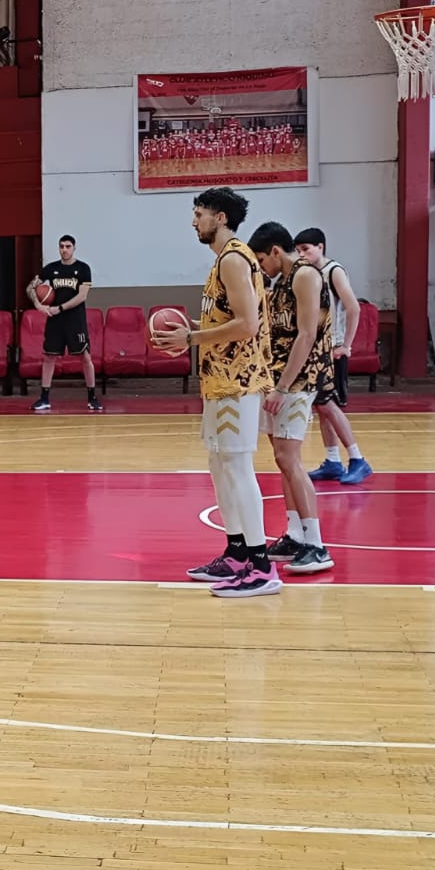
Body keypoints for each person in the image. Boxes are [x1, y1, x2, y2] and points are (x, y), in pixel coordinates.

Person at [150, 187, 281, 598]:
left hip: (237, 381)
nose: (194, 222)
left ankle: (262, 568)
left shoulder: (234, 260)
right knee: (220, 464)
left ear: (220, 217)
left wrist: (191, 338)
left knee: (238, 467)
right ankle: (238, 552)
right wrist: (187, 331)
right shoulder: (223, 260)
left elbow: (248, 324)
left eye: (199, 213)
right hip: (219, 381)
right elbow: (225, 320)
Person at [248, 221, 335, 573]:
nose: (261, 268)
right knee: (282, 459)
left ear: (274, 251)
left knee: (290, 457)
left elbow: (307, 334)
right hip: (278, 378)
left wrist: (283, 387)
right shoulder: (280, 284)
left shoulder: (305, 276)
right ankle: (295, 534)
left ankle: (317, 544)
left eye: (261, 261)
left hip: (300, 379)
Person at [294, 228, 374, 485]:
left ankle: (358, 459)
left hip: (334, 348)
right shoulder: (308, 273)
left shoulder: (333, 271)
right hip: (318, 348)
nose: (302, 254)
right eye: (298, 251)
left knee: (329, 404)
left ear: (321, 246)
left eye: (306, 249)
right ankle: (332, 460)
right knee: (321, 406)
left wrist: (346, 345)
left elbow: (353, 308)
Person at [28, 235, 102, 412]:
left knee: (85, 357)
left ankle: (92, 397)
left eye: (68, 246)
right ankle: (44, 398)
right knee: (49, 357)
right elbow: (30, 287)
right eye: (61, 246)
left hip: (75, 320)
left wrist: (60, 308)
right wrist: (38, 305)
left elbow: (82, 296)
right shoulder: (51, 269)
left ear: (74, 248)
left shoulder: (83, 268)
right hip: (55, 321)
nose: (64, 250)